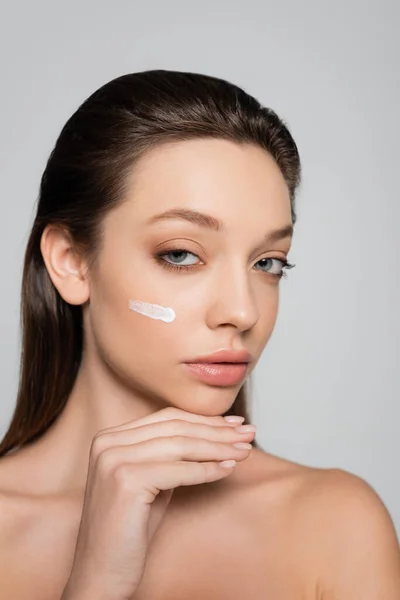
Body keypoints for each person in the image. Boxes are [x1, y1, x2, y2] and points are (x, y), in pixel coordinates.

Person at [0, 69, 399, 600]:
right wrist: (96, 582)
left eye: (268, 262)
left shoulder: (334, 525)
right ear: (72, 262)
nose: (242, 310)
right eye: (181, 254)